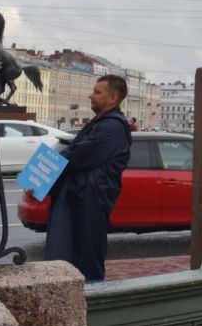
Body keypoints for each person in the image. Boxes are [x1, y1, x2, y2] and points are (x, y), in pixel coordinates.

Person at [37, 74, 132, 281]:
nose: (91, 96)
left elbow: (77, 155)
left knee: (86, 255)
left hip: (90, 199)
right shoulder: (101, 123)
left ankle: (91, 298)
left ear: (113, 98)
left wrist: (40, 177)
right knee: (69, 252)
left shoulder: (113, 127)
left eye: (97, 92)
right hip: (79, 196)